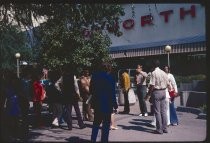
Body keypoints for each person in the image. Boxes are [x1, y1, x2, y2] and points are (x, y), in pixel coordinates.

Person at [90, 62, 118, 142]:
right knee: (106, 125)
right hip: (108, 104)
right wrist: (115, 105)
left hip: (97, 103)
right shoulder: (111, 77)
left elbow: (91, 90)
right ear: (108, 68)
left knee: (96, 123)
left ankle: (93, 140)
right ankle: (104, 140)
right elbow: (112, 92)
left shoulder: (94, 76)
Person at [145, 59, 170, 134]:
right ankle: (165, 128)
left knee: (157, 111)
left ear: (153, 65)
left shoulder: (154, 73)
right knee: (163, 111)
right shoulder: (163, 72)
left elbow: (152, 85)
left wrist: (148, 94)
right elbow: (168, 84)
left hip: (157, 92)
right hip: (163, 92)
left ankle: (159, 129)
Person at [61, 65, 86, 130]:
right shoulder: (73, 76)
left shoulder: (62, 77)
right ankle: (81, 124)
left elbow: (56, 84)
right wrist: (78, 95)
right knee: (77, 110)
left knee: (68, 111)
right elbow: (76, 87)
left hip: (66, 95)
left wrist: (62, 91)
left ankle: (70, 126)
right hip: (73, 95)